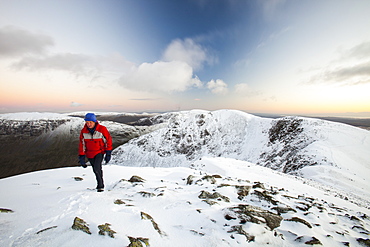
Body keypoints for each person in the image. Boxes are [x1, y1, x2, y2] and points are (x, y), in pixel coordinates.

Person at [78, 113, 112, 192]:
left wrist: (108, 153)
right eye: (87, 122)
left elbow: (108, 140)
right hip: (89, 154)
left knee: (97, 168)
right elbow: (82, 144)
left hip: (99, 152)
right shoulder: (84, 131)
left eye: (90, 122)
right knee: (95, 169)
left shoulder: (102, 129)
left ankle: (100, 185)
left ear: (94, 121)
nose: (88, 124)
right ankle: (99, 184)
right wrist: (82, 156)